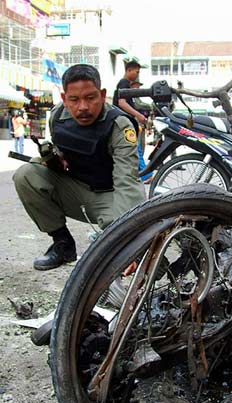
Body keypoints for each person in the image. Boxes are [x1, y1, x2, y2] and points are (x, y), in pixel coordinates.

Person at [13, 64, 145, 271]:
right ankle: (63, 245)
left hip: (109, 196)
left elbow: (127, 181)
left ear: (102, 95)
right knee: (26, 175)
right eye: (74, 100)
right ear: (65, 98)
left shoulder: (119, 125)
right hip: (75, 188)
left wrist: (129, 241)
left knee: (128, 240)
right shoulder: (57, 116)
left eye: (90, 98)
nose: (83, 107)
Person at [113, 63, 153, 183]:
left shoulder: (126, 84)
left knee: (133, 148)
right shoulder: (124, 83)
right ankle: (146, 175)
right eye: (137, 72)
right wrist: (138, 115)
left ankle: (142, 175)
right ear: (129, 70)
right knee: (136, 148)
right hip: (124, 122)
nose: (137, 75)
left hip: (126, 122)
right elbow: (122, 103)